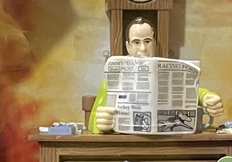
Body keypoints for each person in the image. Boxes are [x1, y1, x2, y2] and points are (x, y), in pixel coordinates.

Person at [88, 17, 224, 133]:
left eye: (147, 41)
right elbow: (92, 123)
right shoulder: (112, 81)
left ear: (155, 44)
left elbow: (191, 91)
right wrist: (100, 122)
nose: (143, 49)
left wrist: (208, 97)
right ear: (128, 46)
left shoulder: (168, 75)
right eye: (136, 42)